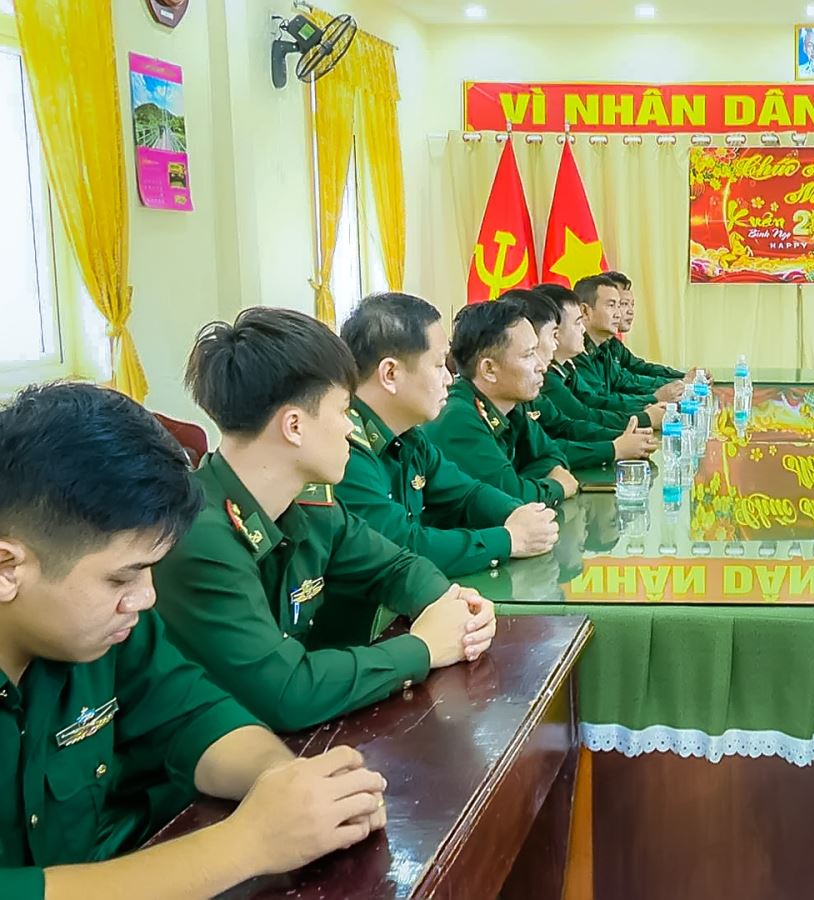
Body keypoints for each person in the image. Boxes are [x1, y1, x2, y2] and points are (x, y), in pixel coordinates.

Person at [0, 383, 391, 897]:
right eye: (121, 578)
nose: (145, 597)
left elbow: (193, 716)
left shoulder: (107, 632)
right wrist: (246, 844)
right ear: (7, 568)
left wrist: (287, 785)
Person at [153, 307, 496, 732]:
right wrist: (424, 648)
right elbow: (288, 692)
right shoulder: (200, 536)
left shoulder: (310, 506)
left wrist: (453, 607)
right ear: (294, 426)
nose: (351, 429)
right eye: (343, 411)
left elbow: (396, 566)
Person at [335, 292, 559, 578]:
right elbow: (401, 546)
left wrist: (516, 514)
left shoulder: (409, 437)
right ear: (390, 374)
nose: (449, 379)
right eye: (439, 365)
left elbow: (466, 493)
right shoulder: (343, 449)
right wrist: (509, 539)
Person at [424, 298, 580, 504]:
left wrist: (523, 481)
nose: (541, 366)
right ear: (489, 369)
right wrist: (557, 486)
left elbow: (553, 455)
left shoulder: (512, 406)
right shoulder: (457, 417)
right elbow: (510, 497)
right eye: (528, 355)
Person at [518, 288, 659, 469]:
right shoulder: (546, 380)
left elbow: (568, 424)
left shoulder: (570, 365)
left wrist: (625, 437)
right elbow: (581, 416)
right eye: (612, 305)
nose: (583, 329)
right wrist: (617, 446)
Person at [569, 274, 683, 417]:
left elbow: (626, 381)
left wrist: (676, 384)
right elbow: (598, 403)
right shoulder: (575, 352)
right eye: (612, 305)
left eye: (619, 306)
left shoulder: (604, 348)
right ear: (585, 311)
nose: (619, 314)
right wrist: (652, 402)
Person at [603, 271, 693, 388]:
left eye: (632, 305)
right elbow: (625, 383)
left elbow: (641, 368)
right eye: (623, 304)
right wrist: (678, 383)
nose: (630, 311)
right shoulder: (588, 349)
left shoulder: (614, 345)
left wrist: (684, 377)